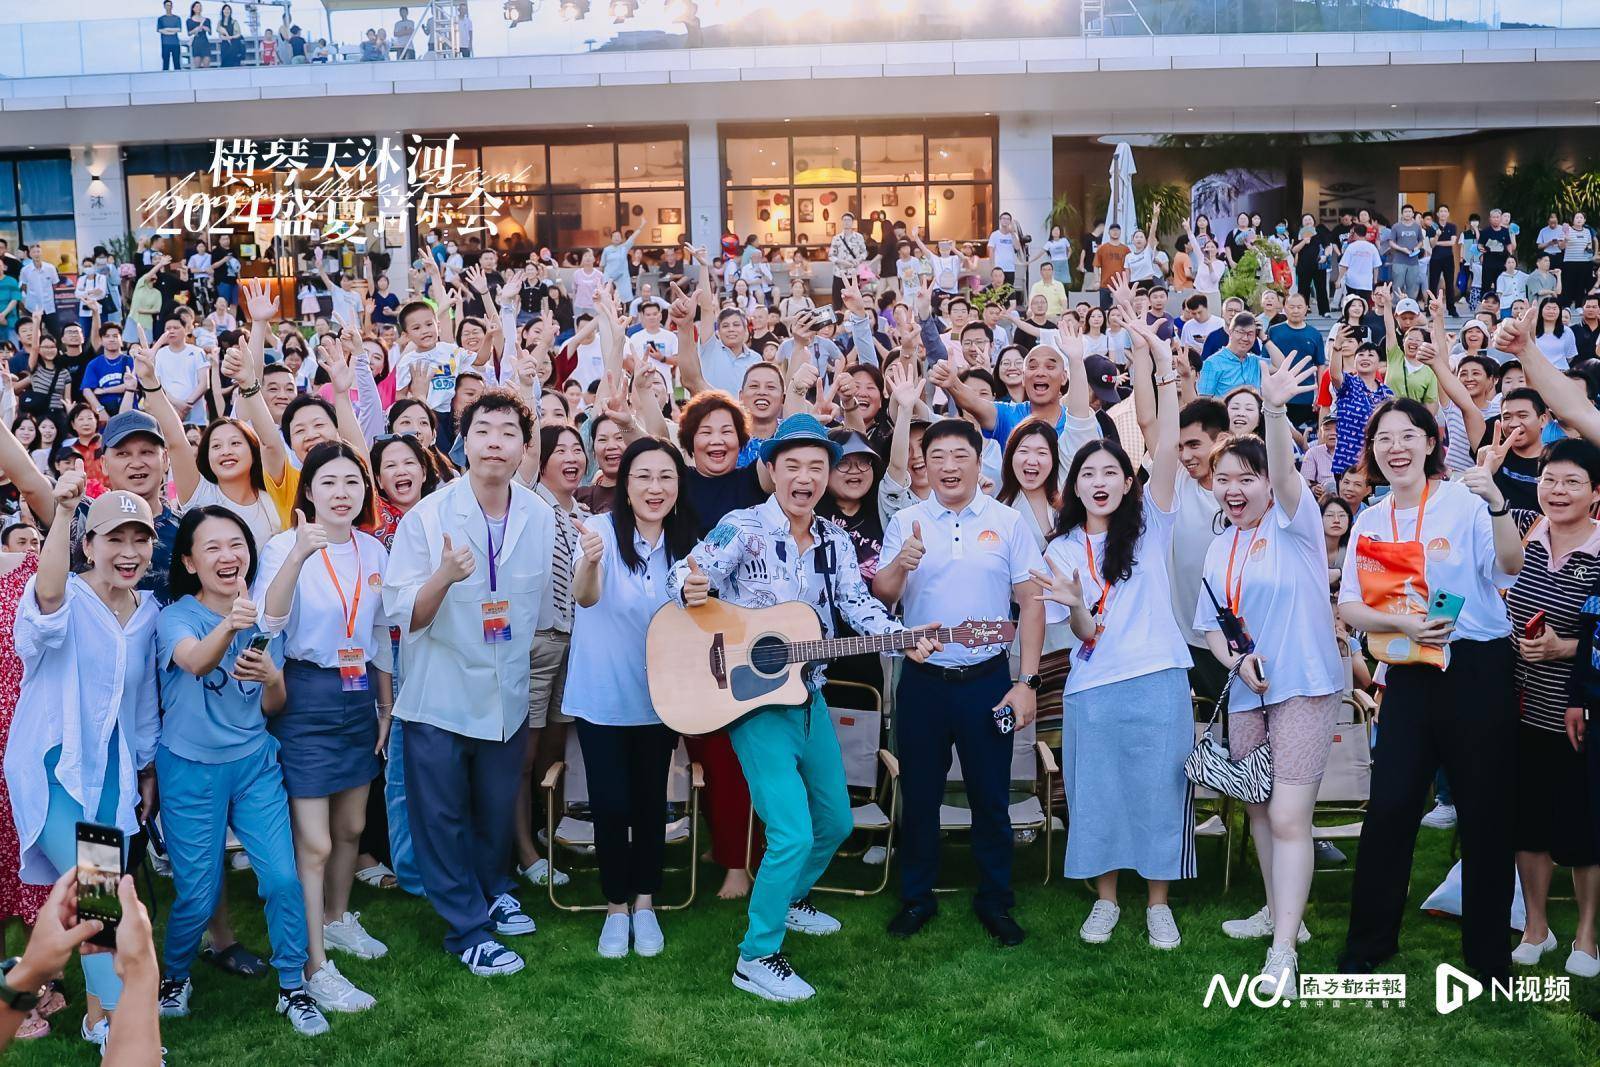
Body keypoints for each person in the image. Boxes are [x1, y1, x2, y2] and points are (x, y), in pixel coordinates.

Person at [668, 413, 938, 1003]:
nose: (806, 477)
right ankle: (756, 956)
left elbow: (857, 608)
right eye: (792, 465)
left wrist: (902, 635)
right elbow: (682, 574)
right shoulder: (740, 527)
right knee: (789, 833)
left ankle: (787, 899)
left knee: (836, 822)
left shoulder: (835, 541)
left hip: (808, 695)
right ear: (769, 470)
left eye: (818, 466)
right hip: (753, 703)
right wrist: (692, 586)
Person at [1337, 399, 1524, 982]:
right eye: (1384, 438)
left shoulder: (1465, 501)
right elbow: (1348, 604)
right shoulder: (1369, 519)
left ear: (1429, 442)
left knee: (1485, 812)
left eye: (1407, 436)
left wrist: (1496, 501)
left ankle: (1489, 956)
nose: (1395, 448)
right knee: (1391, 806)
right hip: (1409, 670)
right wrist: (1404, 626)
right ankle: (1370, 944)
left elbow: (1510, 567)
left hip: (1475, 669)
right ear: (1373, 451)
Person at [1033, 318, 1192, 952]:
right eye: (1087, 474)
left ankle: (1158, 903)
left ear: (1128, 482)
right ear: (1074, 487)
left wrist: (1159, 362)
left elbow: (1173, 444)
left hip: (1157, 677)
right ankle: (1105, 901)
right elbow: (1086, 632)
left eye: (1111, 473)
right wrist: (1073, 606)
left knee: (1161, 789)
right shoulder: (1063, 546)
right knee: (1095, 793)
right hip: (1093, 685)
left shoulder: (1152, 525)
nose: (1099, 482)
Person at [382, 390, 551, 977]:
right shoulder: (427, 518)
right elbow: (408, 617)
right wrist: (445, 577)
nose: (495, 443)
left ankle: (490, 889)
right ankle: (467, 928)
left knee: (495, 805)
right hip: (440, 693)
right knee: (443, 814)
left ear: (524, 447)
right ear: (464, 440)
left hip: (505, 691)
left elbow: (537, 611)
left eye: (509, 433)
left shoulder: (539, 513)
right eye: (484, 431)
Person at [153, 506, 330, 1035]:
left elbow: (272, 704)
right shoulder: (176, 617)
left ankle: (292, 986)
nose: (228, 556)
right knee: (198, 891)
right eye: (211, 547)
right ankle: (175, 974)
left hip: (254, 764)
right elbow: (196, 662)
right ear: (189, 560)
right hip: (190, 770)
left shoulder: (258, 613)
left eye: (236, 544)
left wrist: (273, 676)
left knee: (281, 878)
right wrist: (231, 624)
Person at [1201, 357, 1344, 999]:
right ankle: (1273, 909)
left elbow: (1287, 475)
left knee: (1289, 814)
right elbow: (1213, 624)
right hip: (1247, 691)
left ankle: (1284, 951)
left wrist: (1278, 410)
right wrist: (1235, 660)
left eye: (1246, 478)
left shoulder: (1296, 525)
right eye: (1223, 479)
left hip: (1306, 686)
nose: (1234, 490)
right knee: (1258, 810)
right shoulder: (1219, 543)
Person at [875, 419, 1044, 945]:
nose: (949, 467)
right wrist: (901, 566)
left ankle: (995, 899)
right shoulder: (906, 521)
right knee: (920, 794)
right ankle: (916, 897)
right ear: (924, 464)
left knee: (990, 795)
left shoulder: (1007, 521)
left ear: (979, 463)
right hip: (922, 680)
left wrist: (1027, 681)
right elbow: (882, 595)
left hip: (988, 681)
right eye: (938, 457)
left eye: (960, 456)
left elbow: (1031, 601)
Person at [4, 478, 158, 1054]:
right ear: (88, 545)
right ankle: (122, 1031)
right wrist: (63, 511)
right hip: (54, 771)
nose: (128, 551)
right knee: (101, 902)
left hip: (111, 778)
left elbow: (140, 704)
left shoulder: (147, 614)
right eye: (114, 537)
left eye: (139, 538)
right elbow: (42, 613)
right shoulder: (65, 595)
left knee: (97, 898)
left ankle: (99, 1018)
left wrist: (145, 769)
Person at [256, 443, 393, 1012]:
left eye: (352, 483)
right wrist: (297, 557)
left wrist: (385, 708)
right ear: (307, 491)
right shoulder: (284, 545)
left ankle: (337, 918)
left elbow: (381, 635)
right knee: (311, 841)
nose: (342, 493)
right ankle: (314, 965)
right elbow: (269, 618)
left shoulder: (373, 549)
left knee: (353, 824)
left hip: (359, 690)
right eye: (329, 483)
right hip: (306, 690)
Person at [565, 438, 697, 958]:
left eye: (666, 477)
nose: (654, 488)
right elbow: (585, 596)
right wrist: (591, 562)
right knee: (610, 803)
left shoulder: (688, 542)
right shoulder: (596, 532)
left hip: (660, 697)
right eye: (643, 476)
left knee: (649, 804)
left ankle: (645, 903)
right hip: (602, 693)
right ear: (624, 482)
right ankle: (615, 907)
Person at [1496, 438, 1600, 978]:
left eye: (1572, 482)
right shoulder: (1527, 537)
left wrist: (1568, 648)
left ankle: (1587, 934)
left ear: (1595, 494)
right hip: (1521, 706)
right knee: (1527, 823)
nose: (1557, 492)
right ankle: (1536, 926)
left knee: (1583, 827)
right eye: (1549, 480)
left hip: (1580, 713)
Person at [515, 425, 584, 891]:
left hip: (573, 645)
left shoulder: (580, 514)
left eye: (579, 448)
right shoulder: (529, 499)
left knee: (555, 751)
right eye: (560, 449)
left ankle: (548, 834)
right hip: (536, 642)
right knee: (525, 752)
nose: (572, 456)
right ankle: (521, 851)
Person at [157, 0, 183, 69]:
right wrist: (172, 31)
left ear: (172, 6)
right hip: (165, 44)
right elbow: (160, 30)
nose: (168, 7)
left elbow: (178, 29)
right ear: (164, 7)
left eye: (170, 5)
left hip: (175, 43)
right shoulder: (161, 19)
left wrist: (167, 29)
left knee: (177, 63)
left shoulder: (177, 18)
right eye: (167, 5)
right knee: (165, 63)